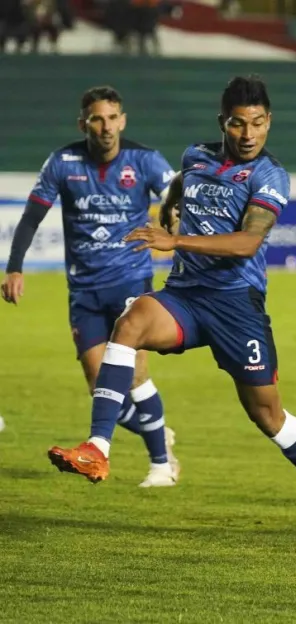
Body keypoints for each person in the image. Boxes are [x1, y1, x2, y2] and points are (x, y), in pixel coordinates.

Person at [45, 75, 296, 537]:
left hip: (236, 307)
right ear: (223, 123)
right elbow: (177, 192)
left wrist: (174, 238)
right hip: (187, 297)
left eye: (257, 124)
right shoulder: (195, 157)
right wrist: (172, 207)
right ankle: (98, 447)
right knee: (130, 324)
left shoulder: (270, 175)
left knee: (268, 416)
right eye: (238, 124)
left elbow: (248, 242)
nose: (248, 134)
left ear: (269, 123)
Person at [3, 86, 180, 488]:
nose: (106, 127)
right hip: (83, 290)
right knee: (99, 386)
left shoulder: (145, 160)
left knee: (134, 376)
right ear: (83, 123)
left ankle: (160, 467)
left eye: (112, 117)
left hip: (131, 284)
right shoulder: (63, 163)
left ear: (123, 120)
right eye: (97, 119)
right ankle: (158, 432)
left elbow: (176, 199)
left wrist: (174, 225)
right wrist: (14, 268)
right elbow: (31, 217)